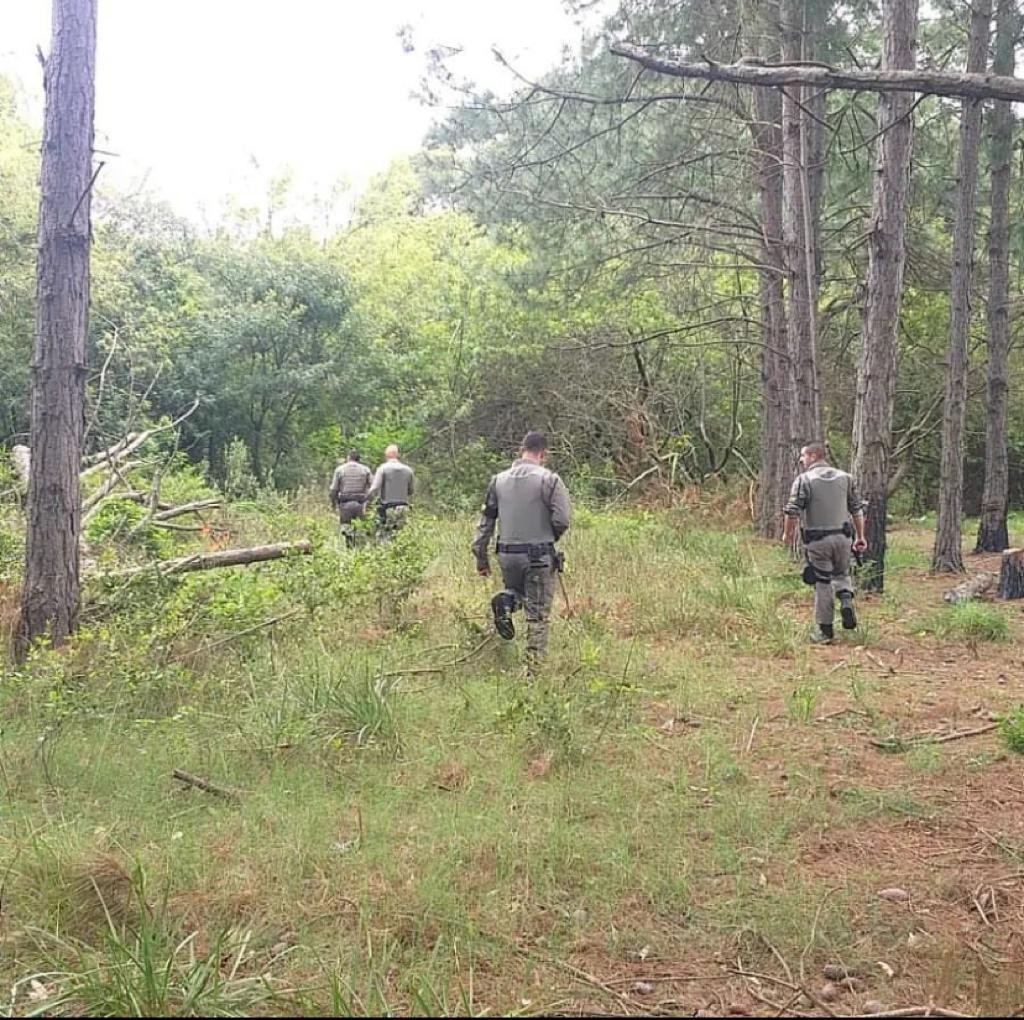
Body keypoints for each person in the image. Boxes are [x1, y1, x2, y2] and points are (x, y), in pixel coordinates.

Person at [472, 431, 572, 668]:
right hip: (538, 556)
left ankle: (505, 602)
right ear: (543, 454)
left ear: (521, 450)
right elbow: (562, 519)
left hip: (507, 555)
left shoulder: (498, 480)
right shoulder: (550, 480)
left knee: (516, 592)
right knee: (537, 616)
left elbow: (486, 522)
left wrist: (481, 556)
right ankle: (534, 670)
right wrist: (550, 538)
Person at [783, 442, 868, 644]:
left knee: (822, 582)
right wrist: (860, 537)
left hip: (818, 541)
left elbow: (792, 511)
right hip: (843, 538)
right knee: (842, 573)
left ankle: (825, 631)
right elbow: (857, 509)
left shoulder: (803, 480)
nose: (801, 460)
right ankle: (846, 598)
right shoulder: (846, 478)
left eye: (803, 456)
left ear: (813, 456)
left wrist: (788, 535)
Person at [368, 444, 415, 535]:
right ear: (398, 455)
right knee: (401, 535)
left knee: (387, 534)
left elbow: (375, 488)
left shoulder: (382, 469)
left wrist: (369, 500)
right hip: (403, 507)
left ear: (386, 455)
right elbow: (411, 491)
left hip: (388, 508)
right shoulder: (408, 470)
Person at [329, 450, 372, 547]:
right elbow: (372, 488)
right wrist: (370, 503)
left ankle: (349, 550)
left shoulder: (340, 470)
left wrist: (333, 504)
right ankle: (360, 552)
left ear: (348, 458)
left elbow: (333, 489)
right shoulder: (365, 470)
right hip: (361, 504)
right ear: (359, 459)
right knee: (360, 531)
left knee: (347, 531)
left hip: (345, 504)